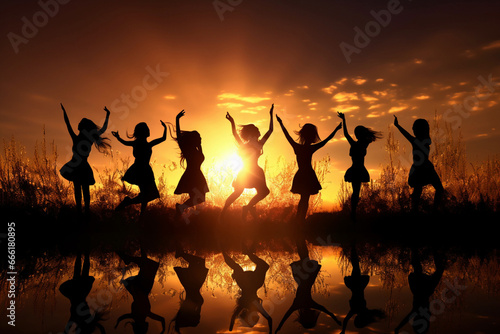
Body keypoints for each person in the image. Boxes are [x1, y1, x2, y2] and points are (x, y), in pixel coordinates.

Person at [276, 115, 342, 221]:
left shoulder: (297, 147)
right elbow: (327, 140)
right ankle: (301, 219)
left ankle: (300, 218)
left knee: (303, 198)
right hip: (308, 175)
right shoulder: (310, 148)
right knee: (305, 199)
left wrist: (281, 123)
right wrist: (336, 129)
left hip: (302, 175)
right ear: (311, 136)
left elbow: (287, 135)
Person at [275, 238, 341, 332]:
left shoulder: (308, 304)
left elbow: (326, 311)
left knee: (305, 257)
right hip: (302, 279)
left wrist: (336, 320)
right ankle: (299, 238)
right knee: (304, 257)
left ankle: (300, 238)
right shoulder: (298, 305)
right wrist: (279, 328)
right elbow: (286, 316)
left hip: (307, 279)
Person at [221, 104, 274, 220]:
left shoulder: (259, 144)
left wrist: (271, 114)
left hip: (254, 172)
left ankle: (247, 207)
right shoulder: (247, 145)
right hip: (247, 172)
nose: (259, 132)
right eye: (257, 130)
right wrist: (232, 121)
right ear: (252, 133)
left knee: (264, 192)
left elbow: (271, 130)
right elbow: (235, 134)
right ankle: (224, 213)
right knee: (238, 192)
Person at [60, 103, 110, 214]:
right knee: (81, 190)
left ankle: (83, 212)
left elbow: (68, 124)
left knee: (80, 190)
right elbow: (103, 129)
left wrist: (108, 115)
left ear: (83, 127)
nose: (77, 124)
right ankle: (84, 211)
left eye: (79, 123)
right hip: (80, 166)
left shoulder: (79, 138)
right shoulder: (88, 138)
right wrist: (64, 112)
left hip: (78, 166)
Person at [112, 120, 166, 213]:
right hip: (140, 170)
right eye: (147, 129)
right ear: (143, 132)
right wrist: (118, 137)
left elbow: (163, 138)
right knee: (149, 194)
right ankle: (129, 203)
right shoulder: (140, 143)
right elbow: (125, 142)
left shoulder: (147, 144)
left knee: (147, 194)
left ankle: (130, 204)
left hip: (143, 170)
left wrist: (165, 128)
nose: (149, 130)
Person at [337, 112, 382, 220]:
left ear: (360, 134)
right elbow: (346, 135)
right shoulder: (359, 143)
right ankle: (353, 212)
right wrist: (344, 120)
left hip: (358, 169)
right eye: (355, 133)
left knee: (356, 192)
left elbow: (347, 135)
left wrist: (344, 120)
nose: (355, 134)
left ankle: (353, 212)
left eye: (357, 133)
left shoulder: (363, 143)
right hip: (356, 169)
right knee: (356, 192)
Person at [393, 116, 444, 211]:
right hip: (421, 168)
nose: (412, 129)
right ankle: (427, 210)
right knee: (421, 189)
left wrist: (397, 125)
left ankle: (422, 210)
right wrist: (397, 125)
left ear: (419, 129)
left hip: (423, 168)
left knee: (425, 189)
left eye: (414, 128)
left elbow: (407, 134)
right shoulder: (420, 141)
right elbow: (406, 134)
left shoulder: (421, 140)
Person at [394, 248, 446, 334]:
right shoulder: (422, 314)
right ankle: (434, 249)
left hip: (419, 289)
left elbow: (407, 318)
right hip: (426, 290)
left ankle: (415, 248)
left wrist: (398, 328)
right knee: (438, 270)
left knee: (418, 269)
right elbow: (408, 318)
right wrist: (398, 328)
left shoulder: (417, 312)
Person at [223, 249, 272, 333]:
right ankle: (223, 251)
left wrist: (271, 332)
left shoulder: (256, 307)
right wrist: (231, 325)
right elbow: (233, 316)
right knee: (236, 267)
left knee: (264, 266)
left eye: (255, 319)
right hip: (247, 283)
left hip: (251, 283)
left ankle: (247, 252)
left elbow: (269, 319)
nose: (257, 318)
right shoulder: (246, 305)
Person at [340, 244, 385, 334]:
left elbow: (345, 320)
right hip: (357, 285)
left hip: (356, 285)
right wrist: (343, 331)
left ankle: (353, 248)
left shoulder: (358, 310)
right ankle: (353, 248)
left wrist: (343, 331)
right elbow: (346, 320)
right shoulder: (360, 311)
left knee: (356, 266)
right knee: (356, 266)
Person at [171, 110, 209, 217]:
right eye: (199, 137)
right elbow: (178, 137)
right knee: (199, 198)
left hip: (198, 175)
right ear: (194, 139)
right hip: (191, 175)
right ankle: (182, 209)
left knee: (199, 199)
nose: (201, 138)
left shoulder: (198, 149)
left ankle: (182, 211)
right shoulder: (187, 149)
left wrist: (200, 146)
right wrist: (177, 119)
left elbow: (201, 157)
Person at [115, 254, 165, 334]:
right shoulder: (143, 314)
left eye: (145, 328)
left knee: (148, 265)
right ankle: (130, 257)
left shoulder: (142, 314)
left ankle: (129, 257)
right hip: (142, 288)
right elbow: (162, 319)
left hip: (141, 288)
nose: (147, 327)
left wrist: (163, 330)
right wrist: (163, 330)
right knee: (148, 265)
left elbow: (137, 298)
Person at [170, 248, 209, 333]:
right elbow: (195, 322)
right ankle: (181, 253)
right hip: (195, 284)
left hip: (193, 284)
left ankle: (181, 253)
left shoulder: (191, 305)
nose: (198, 320)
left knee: (199, 262)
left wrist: (180, 327)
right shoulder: (194, 308)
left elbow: (194, 322)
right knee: (199, 263)